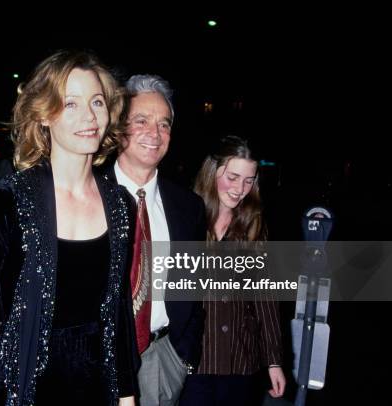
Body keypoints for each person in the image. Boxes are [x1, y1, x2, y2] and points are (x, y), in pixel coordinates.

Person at [0, 50, 139, 406]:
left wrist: (127, 394)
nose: (90, 116)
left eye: (97, 102)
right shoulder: (6, 200)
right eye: (71, 104)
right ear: (44, 115)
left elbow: (118, 312)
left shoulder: (120, 205)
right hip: (19, 387)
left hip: (94, 388)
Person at [104, 74, 206, 405]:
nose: (155, 133)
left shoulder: (188, 206)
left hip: (165, 355)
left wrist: (184, 355)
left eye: (164, 124)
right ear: (119, 129)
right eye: (142, 120)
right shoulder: (88, 195)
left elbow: (194, 286)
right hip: (101, 360)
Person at [180, 135, 285, 406]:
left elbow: (266, 297)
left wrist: (273, 360)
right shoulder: (186, 216)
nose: (240, 188)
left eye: (249, 180)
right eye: (233, 177)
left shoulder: (253, 225)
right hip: (195, 361)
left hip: (242, 361)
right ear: (213, 172)